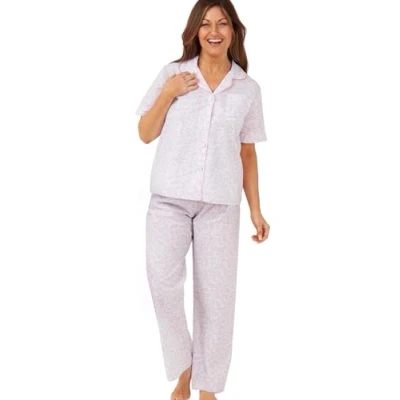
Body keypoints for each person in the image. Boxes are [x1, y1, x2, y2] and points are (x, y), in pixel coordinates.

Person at [135, 0, 270, 399]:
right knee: (162, 282)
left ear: (233, 31)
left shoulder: (247, 89)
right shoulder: (173, 74)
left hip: (220, 205)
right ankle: (185, 367)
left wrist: (256, 210)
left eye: (222, 23)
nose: (214, 31)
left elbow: (247, 153)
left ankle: (207, 388)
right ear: (195, 30)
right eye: (206, 24)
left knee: (216, 300)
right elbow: (145, 133)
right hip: (168, 201)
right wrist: (169, 93)